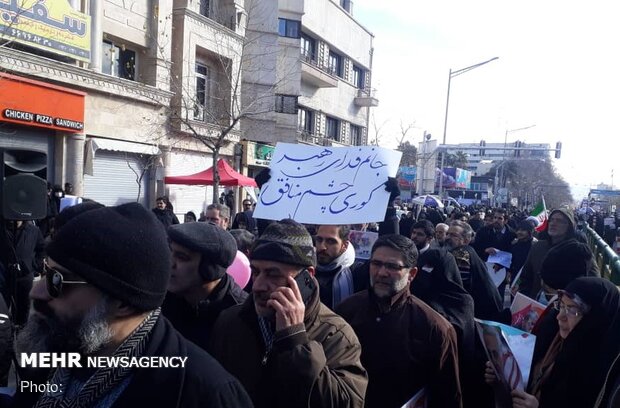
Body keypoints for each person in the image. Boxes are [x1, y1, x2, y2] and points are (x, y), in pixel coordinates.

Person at [13, 203, 253, 408]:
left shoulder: (204, 394)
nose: (37, 291)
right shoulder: (54, 352)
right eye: (45, 271)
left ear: (123, 304)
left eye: (58, 281)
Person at [210, 219, 368, 408]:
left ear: (306, 277)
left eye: (273, 274)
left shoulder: (336, 335)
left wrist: (295, 341)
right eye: (256, 272)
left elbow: (346, 404)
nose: (258, 286)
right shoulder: (230, 321)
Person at [336, 235, 462, 408]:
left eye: (392, 266)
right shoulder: (346, 311)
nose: (381, 273)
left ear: (412, 274)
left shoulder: (435, 329)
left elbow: (447, 396)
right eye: (376, 264)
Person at [485, 277, 620, 408]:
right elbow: (527, 379)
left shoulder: (603, 373)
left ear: (594, 319)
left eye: (572, 310)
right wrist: (501, 375)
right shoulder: (552, 337)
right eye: (561, 306)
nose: (560, 316)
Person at [163, 222, 247, 350]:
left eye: (182, 257)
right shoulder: (163, 299)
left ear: (209, 269)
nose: (170, 263)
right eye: (170, 252)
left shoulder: (241, 315)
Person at [517, 208, 599, 299]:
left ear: (569, 226)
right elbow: (526, 276)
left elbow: (593, 279)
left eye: (559, 221)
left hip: (568, 308)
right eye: (551, 220)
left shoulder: (578, 250)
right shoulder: (538, 247)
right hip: (536, 305)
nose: (553, 223)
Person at [446, 220, 504, 322]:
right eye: (447, 234)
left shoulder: (461, 254)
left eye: (453, 235)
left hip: (480, 313)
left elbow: (458, 286)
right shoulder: (467, 251)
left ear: (466, 240)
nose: (447, 238)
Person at [0, 219, 45, 325]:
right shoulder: (2, 229)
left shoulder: (33, 230)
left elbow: (42, 249)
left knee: (22, 311)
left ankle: (20, 334)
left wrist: (32, 265)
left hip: (24, 278)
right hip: (3, 278)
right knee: (2, 311)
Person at [314, 224, 359, 309]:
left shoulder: (355, 273)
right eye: (319, 240)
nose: (322, 247)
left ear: (344, 246)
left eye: (331, 241)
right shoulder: (305, 269)